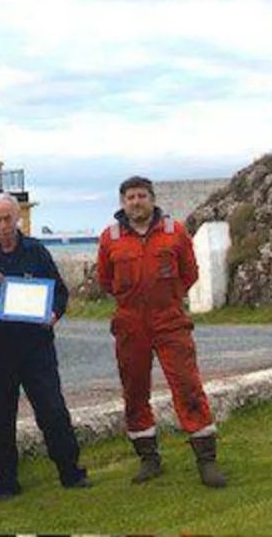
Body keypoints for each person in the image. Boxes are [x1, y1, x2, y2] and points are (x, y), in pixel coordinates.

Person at [97, 176, 226, 488]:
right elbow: (105, 279)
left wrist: (168, 299)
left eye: (141, 195)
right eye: (130, 197)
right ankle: (149, 459)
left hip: (170, 322)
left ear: (152, 199)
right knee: (135, 390)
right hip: (130, 325)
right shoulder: (110, 237)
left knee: (187, 386)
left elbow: (190, 272)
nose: (136, 202)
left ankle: (206, 461)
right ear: (122, 202)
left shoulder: (174, 231)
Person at [0, 192, 89, 499]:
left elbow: (58, 291)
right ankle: (4, 483)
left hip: (35, 346)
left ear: (18, 218)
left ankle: (71, 472)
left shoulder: (36, 251)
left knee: (52, 410)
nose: (3, 225)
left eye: (7, 218)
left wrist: (54, 314)